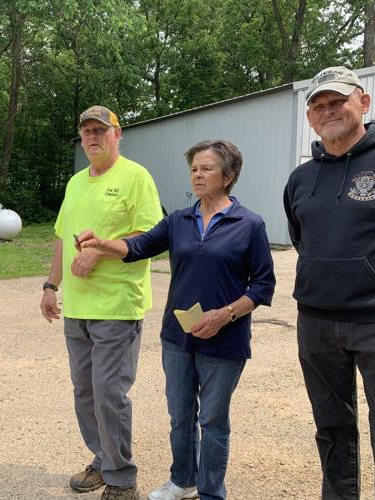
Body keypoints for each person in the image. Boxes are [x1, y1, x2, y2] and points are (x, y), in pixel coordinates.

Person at [78, 139, 276, 500]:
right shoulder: (179, 220)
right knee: (180, 416)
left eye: (207, 168)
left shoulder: (249, 224)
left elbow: (263, 285)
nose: (198, 175)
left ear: (229, 175)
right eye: (195, 168)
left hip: (224, 340)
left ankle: (211, 492)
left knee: (213, 421)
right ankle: (183, 480)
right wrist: (102, 243)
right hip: (178, 337)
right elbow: (138, 247)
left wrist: (226, 314)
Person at [283, 66, 375, 499]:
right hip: (317, 323)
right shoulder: (302, 178)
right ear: (310, 119)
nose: (328, 111)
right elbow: (303, 240)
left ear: (364, 102)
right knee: (333, 433)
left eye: (337, 101)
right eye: (318, 106)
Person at [40, 105, 163, 500]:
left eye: (100, 130)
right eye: (86, 131)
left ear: (117, 134)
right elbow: (62, 237)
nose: (92, 137)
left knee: (109, 392)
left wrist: (101, 253)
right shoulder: (76, 182)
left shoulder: (135, 177)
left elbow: (151, 235)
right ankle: (102, 457)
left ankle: (122, 476)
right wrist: (50, 285)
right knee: (84, 392)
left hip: (116, 306)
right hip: (77, 308)